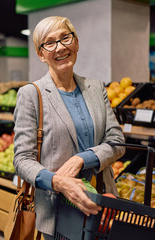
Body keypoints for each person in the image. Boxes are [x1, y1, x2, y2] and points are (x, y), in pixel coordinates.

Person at [13, 16, 125, 239]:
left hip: (103, 203)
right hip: (59, 212)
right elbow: (22, 159)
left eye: (65, 38)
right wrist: (58, 181)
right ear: (40, 54)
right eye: (50, 43)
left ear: (76, 43)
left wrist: (81, 159)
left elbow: (117, 141)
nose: (60, 47)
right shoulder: (31, 95)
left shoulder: (96, 88)